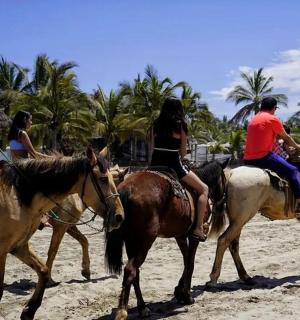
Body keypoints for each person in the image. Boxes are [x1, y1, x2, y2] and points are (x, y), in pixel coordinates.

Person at [150, 98, 209, 242]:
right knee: (204, 189)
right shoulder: (181, 125)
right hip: (172, 165)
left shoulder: (155, 124)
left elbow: (152, 148)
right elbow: (182, 153)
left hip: (155, 164)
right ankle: (198, 228)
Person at [244, 97, 300, 211]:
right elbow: (286, 137)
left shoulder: (253, 119)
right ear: (274, 108)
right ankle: (299, 203)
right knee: (293, 170)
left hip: (247, 159)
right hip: (263, 157)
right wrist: (297, 146)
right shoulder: (272, 119)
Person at [8, 110, 52, 228]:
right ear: (24, 120)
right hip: (25, 167)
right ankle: (42, 218)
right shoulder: (22, 133)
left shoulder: (12, 134)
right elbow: (33, 154)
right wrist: (52, 159)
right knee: (45, 186)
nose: (31, 122)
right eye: (30, 119)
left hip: (14, 166)